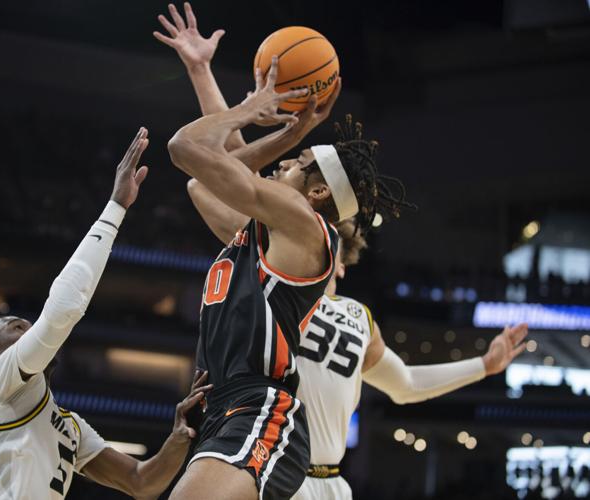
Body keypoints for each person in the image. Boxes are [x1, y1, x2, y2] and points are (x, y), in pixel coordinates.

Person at [160, 5, 410, 499]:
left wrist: (252, 110)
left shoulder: (305, 227)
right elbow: (205, 181)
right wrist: (203, 71)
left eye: (296, 162)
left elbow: (190, 149)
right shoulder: (268, 230)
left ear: (317, 194)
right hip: (226, 406)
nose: (281, 164)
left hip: (260, 408)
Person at [0, 128, 213, 500]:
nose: (28, 328)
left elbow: (142, 482)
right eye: (15, 327)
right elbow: (62, 310)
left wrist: (179, 437)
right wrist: (116, 208)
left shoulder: (69, 427)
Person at [291, 220, 529, 500]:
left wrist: (484, 365)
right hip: (270, 473)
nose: (319, 246)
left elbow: (407, 384)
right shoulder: (273, 292)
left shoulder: (360, 318)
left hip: (329, 484)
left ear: (341, 264)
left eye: (329, 244)